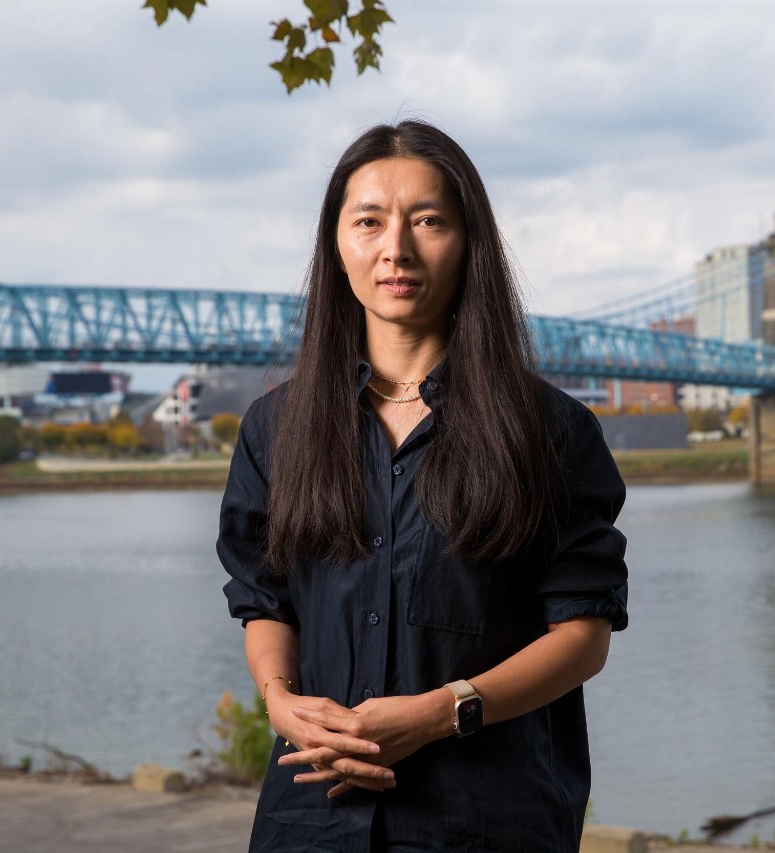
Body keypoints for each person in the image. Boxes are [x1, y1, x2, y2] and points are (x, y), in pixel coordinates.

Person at [217, 119, 628, 853]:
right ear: (336, 245)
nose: (395, 248)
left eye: (428, 220)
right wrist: (281, 704)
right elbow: (265, 599)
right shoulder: (275, 427)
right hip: (309, 824)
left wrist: (444, 712)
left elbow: (583, 634)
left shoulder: (550, 431)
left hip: (487, 822)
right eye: (368, 221)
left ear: (469, 242)